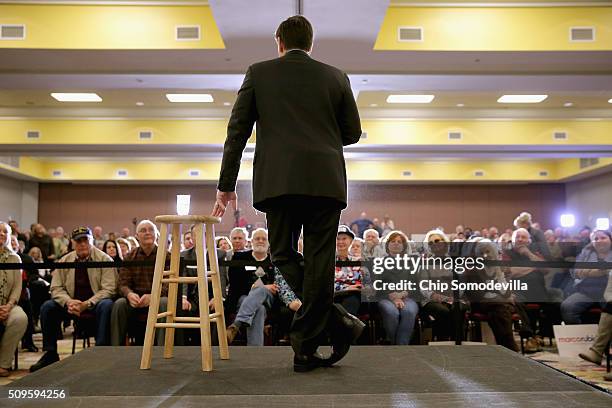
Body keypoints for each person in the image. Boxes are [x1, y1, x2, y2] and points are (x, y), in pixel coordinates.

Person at [212, 15, 362, 372]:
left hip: (278, 182)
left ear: (278, 41)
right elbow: (352, 133)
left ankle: (327, 330)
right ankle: (313, 342)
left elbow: (237, 132)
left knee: (281, 255)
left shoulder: (259, 73)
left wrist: (225, 186)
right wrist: (320, 138)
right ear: (311, 43)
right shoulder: (336, 76)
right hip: (325, 181)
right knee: (321, 260)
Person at [30, 227, 117, 372]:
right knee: (48, 307)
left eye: (85, 240)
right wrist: (69, 302)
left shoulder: (104, 259)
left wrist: (87, 304)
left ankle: (101, 351)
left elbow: (109, 289)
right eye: (78, 241)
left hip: (94, 303)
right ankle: (50, 353)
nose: (82, 244)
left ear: (92, 241)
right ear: (72, 243)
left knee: (107, 305)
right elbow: (55, 288)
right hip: (71, 304)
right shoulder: (65, 260)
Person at [111, 220, 169, 346]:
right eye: (143, 230)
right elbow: (122, 283)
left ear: (156, 234)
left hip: (158, 298)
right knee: (119, 304)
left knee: (164, 303)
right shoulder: (129, 256)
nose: (148, 233)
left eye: (151, 230)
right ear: (137, 236)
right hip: (136, 300)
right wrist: (129, 294)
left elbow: (169, 284)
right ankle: (115, 350)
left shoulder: (167, 256)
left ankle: (162, 350)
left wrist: (154, 296)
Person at [0, 222, 28, 377]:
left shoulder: (15, 259)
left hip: (8, 305)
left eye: (5, 232)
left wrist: (8, 306)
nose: (2, 234)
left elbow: (17, 288)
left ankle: (3, 363)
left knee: (20, 318)